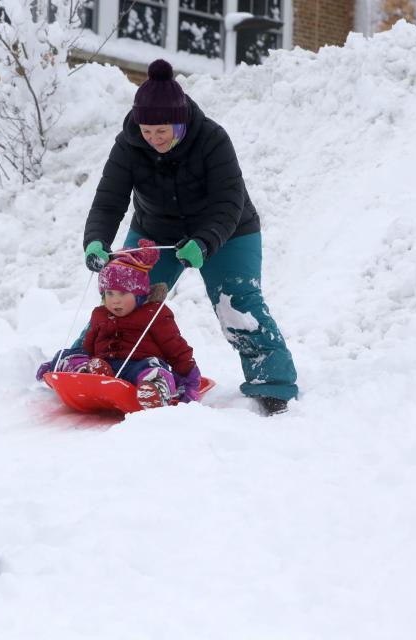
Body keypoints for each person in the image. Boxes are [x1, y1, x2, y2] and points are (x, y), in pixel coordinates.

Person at [81, 59, 298, 416]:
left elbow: (230, 201)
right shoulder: (129, 145)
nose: (154, 139)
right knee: (123, 297)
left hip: (227, 231)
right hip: (155, 230)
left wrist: (205, 241)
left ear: (179, 122)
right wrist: (96, 240)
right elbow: (109, 200)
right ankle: (88, 364)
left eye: (162, 131)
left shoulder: (212, 139)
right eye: (147, 131)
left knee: (238, 303)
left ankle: (271, 383)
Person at [38, 240, 203, 409]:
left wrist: (190, 377)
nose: (115, 300)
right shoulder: (100, 315)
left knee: (155, 370)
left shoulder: (154, 314)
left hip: (139, 368)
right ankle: (83, 374)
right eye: (109, 293)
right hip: (104, 368)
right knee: (72, 356)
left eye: (123, 293)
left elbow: (176, 349)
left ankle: (155, 391)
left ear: (139, 295)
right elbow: (87, 348)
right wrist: (60, 362)